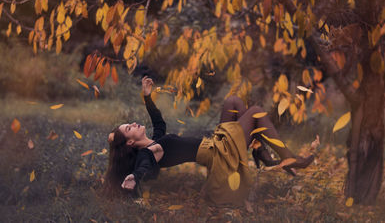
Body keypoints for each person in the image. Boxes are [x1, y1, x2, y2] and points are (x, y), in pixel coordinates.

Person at [104, 75, 315, 207]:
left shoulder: (155, 138)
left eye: (130, 123)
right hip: (218, 152)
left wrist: (147, 96)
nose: (133, 123)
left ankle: (260, 150)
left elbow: (158, 121)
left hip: (215, 141)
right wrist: (134, 176)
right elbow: (144, 166)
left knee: (233, 101)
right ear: (130, 143)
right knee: (257, 112)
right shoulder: (149, 152)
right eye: (129, 128)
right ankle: (286, 157)